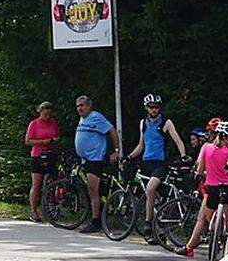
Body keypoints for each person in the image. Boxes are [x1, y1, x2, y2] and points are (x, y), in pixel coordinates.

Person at [125, 93, 187, 237]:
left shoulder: (166, 122)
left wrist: (183, 156)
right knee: (153, 196)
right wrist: (129, 156)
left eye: (156, 107)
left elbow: (178, 141)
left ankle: (148, 223)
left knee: (150, 189)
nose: (154, 110)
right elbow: (141, 145)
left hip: (160, 164)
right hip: (146, 162)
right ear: (146, 108)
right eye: (151, 107)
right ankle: (158, 228)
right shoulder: (143, 123)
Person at [175, 121, 228, 259]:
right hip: (227, 186)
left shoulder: (206, 147)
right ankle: (226, 243)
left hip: (210, 187)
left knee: (203, 218)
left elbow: (199, 169)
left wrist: (201, 175)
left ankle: (192, 246)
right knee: (227, 221)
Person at [74, 95, 120, 234]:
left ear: (89, 106)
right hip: (85, 159)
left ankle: (95, 221)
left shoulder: (96, 117)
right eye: (78, 106)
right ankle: (96, 215)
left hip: (95, 158)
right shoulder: (83, 119)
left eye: (82, 105)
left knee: (93, 190)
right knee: (91, 190)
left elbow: (112, 130)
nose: (80, 108)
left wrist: (116, 150)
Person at [25, 101, 60, 221]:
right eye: (45, 114)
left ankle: (51, 209)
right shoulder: (34, 124)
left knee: (52, 182)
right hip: (37, 155)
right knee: (36, 184)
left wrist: (54, 141)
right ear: (40, 112)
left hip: (50, 154)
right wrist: (42, 142)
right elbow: (28, 141)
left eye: (49, 115)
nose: (47, 117)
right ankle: (33, 211)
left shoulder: (53, 123)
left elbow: (57, 136)